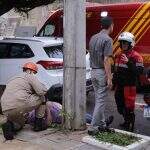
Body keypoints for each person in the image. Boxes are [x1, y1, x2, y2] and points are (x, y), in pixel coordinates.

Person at [1, 62, 48, 140]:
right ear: (30, 71)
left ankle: (10, 125)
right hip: (19, 104)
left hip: (5, 109)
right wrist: (44, 88)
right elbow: (41, 91)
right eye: (34, 72)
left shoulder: (13, 78)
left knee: (20, 124)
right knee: (42, 97)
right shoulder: (30, 76)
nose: (34, 74)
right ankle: (39, 124)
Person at [88, 16, 114, 135]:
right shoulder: (108, 39)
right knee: (100, 101)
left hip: (92, 71)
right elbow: (106, 60)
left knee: (99, 99)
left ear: (101, 26)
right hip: (101, 72)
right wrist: (109, 77)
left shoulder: (93, 37)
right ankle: (93, 127)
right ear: (111, 26)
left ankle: (102, 124)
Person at [113, 32, 144, 131]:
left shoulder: (136, 56)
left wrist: (128, 62)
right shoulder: (119, 55)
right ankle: (126, 120)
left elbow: (139, 71)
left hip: (129, 86)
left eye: (126, 43)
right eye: (122, 43)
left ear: (131, 44)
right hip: (119, 86)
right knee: (120, 106)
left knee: (129, 107)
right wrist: (113, 81)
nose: (123, 45)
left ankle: (129, 124)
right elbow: (116, 70)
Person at [26, 101, 93, 126]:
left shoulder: (32, 108)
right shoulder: (32, 118)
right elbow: (48, 123)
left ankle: (98, 122)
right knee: (84, 118)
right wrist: (48, 109)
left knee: (85, 116)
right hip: (62, 116)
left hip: (61, 109)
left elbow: (49, 103)